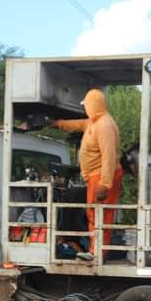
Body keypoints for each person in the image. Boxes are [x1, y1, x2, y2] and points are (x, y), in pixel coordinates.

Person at [50, 89, 123, 260]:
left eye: (87, 105)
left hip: (102, 177)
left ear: (94, 105)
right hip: (95, 176)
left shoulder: (105, 125)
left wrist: (105, 184)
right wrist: (57, 123)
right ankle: (94, 250)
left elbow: (109, 156)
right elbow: (77, 124)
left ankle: (98, 253)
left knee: (101, 215)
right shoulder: (94, 122)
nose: (86, 109)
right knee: (93, 213)